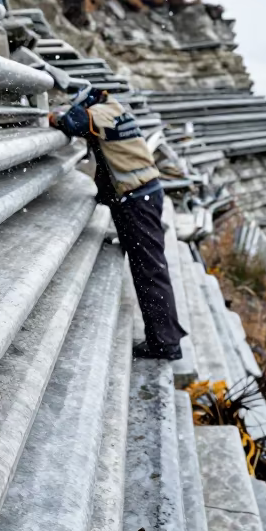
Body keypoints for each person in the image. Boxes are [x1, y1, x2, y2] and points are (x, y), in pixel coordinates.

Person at [52, 85, 187, 360]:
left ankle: (165, 343)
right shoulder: (116, 109)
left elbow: (71, 122)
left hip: (137, 201)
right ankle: (166, 336)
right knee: (150, 267)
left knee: (149, 270)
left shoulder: (100, 113)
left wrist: (53, 117)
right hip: (143, 196)